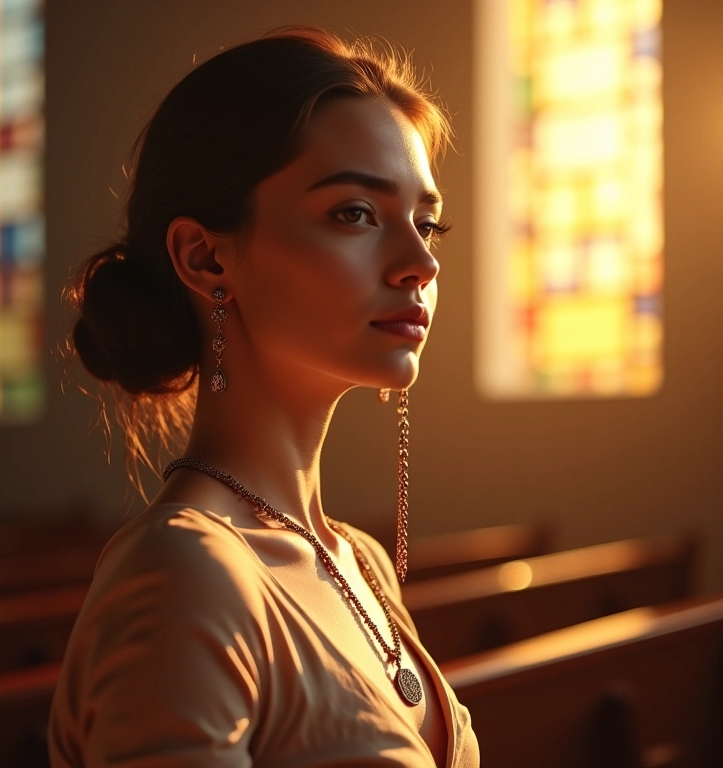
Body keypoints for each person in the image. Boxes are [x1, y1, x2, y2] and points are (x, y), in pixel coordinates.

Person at [49, 25, 479, 768]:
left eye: (427, 223)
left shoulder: (361, 560)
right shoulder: (184, 574)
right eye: (355, 213)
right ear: (206, 256)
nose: (419, 263)